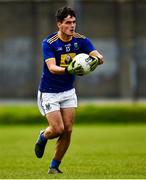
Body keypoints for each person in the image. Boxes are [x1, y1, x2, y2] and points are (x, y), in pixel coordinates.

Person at [34, 6, 104, 174]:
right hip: (49, 91)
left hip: (68, 91)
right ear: (59, 24)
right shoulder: (49, 43)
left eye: (74, 22)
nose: (72, 26)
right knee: (57, 129)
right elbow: (51, 67)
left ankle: (54, 167)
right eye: (67, 23)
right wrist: (70, 69)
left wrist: (95, 60)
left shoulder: (80, 40)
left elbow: (98, 57)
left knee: (68, 129)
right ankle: (43, 136)